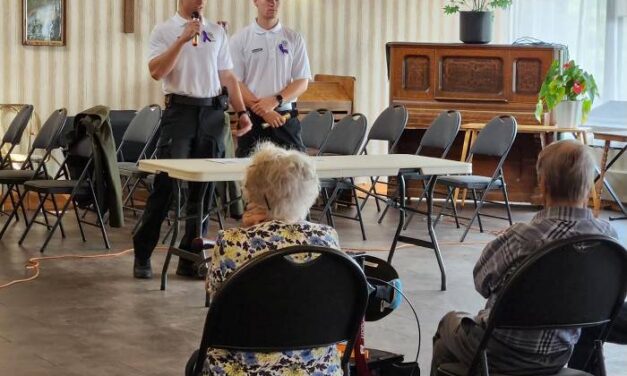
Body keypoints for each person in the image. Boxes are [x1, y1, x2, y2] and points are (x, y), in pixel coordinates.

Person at [431, 140, 618, 375]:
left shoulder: (523, 236)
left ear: (544, 184)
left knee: (448, 325)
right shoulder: (607, 239)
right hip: (557, 355)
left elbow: (482, 282)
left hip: (497, 352)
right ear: (589, 184)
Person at [133, 0, 253, 279]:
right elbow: (156, 71)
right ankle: (143, 252)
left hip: (212, 114)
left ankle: (190, 256)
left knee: (204, 191)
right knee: (166, 184)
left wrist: (242, 112)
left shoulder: (216, 32)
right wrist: (182, 39)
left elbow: (228, 76)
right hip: (181, 112)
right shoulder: (164, 30)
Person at [200, 142, 343, 375]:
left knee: (196, 361)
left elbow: (217, 296)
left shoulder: (233, 242)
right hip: (318, 369)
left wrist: (247, 231)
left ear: (255, 191)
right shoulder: (327, 238)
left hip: (245, 369)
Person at [230, 0, 311, 157]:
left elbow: (302, 82)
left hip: (284, 118)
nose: (272, 3)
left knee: (293, 175)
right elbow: (236, 82)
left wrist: (276, 101)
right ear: (255, 2)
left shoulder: (294, 38)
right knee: (251, 174)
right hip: (252, 120)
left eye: (276, 0)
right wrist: (264, 111)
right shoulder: (240, 39)